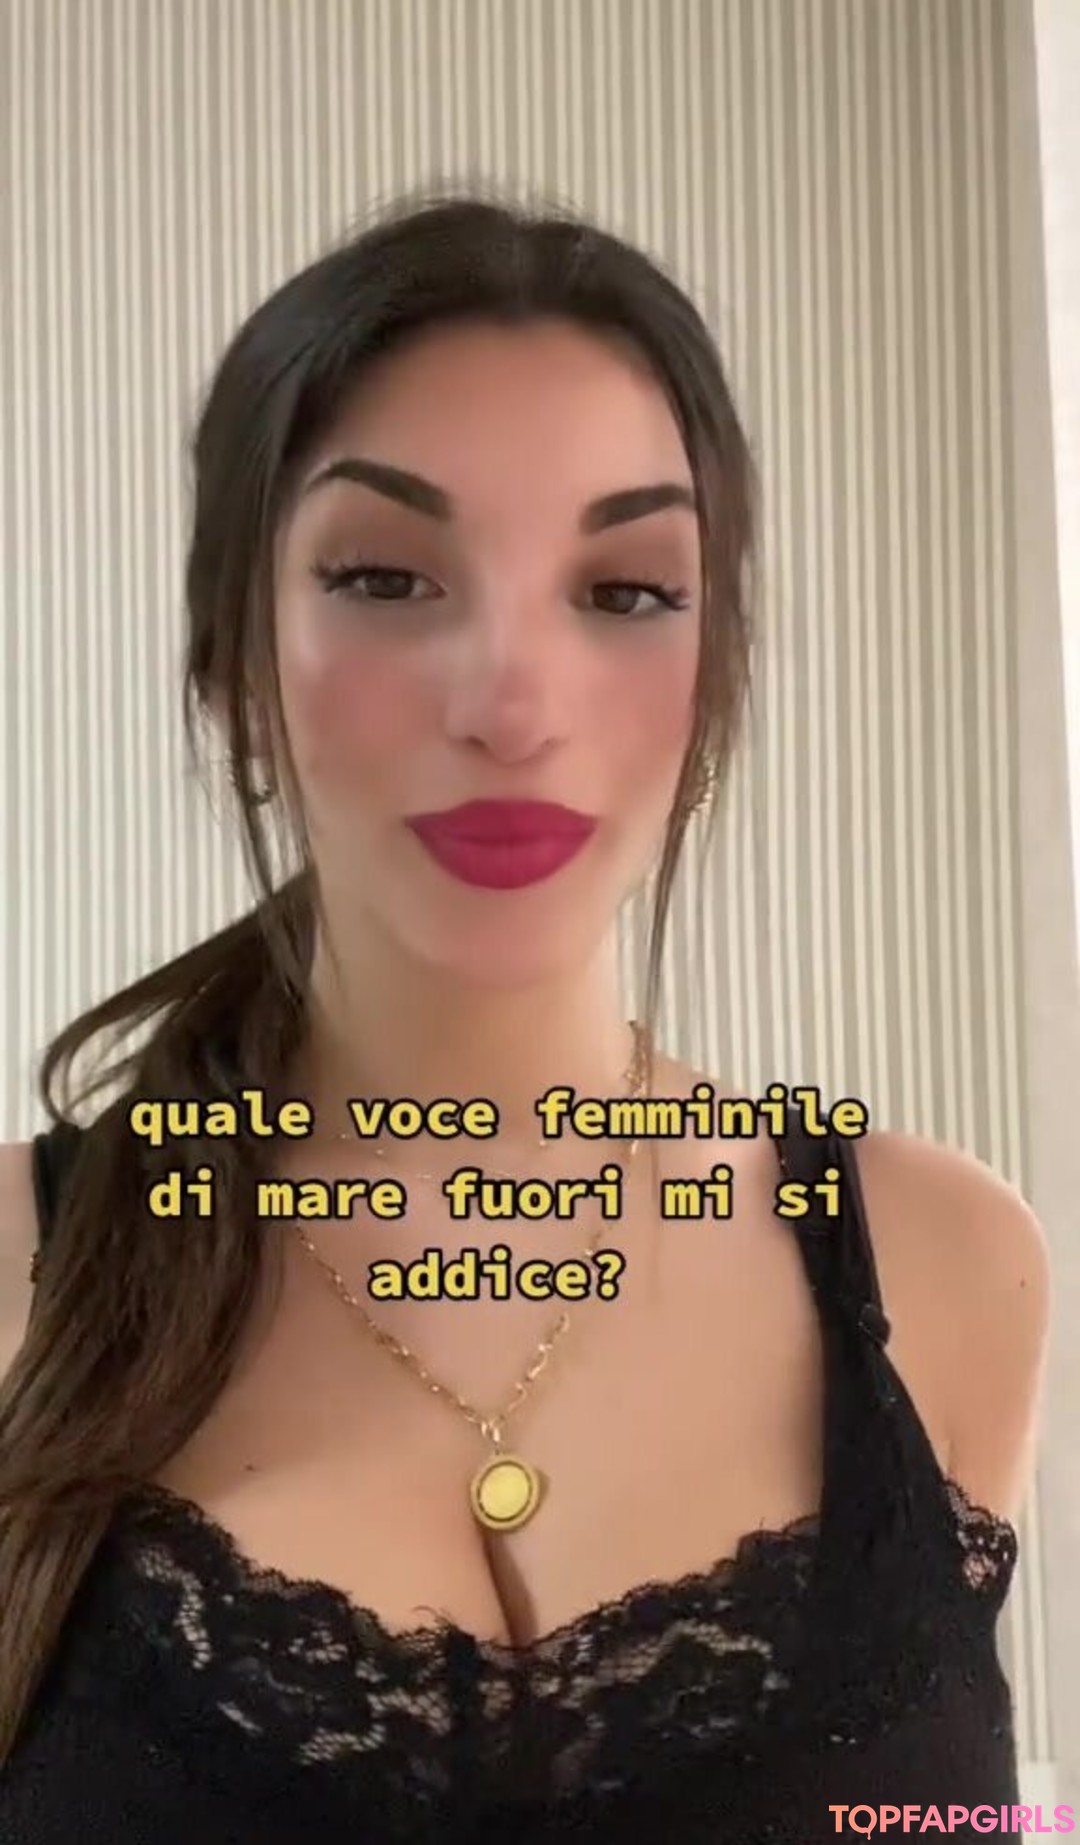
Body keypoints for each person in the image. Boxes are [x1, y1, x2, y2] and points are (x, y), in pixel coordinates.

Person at [0, 187, 1049, 1843]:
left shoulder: (949, 1266)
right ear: (234, 673)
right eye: (385, 575)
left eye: (624, 591)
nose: (512, 701)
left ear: (714, 681)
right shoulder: (21, 1267)